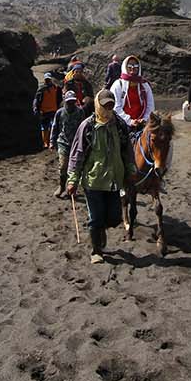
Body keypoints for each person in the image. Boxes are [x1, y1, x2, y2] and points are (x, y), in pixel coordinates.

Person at [65, 89, 136, 264]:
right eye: (105, 106)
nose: (108, 109)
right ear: (98, 104)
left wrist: (131, 170)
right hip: (93, 181)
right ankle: (96, 250)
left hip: (114, 180)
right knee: (96, 218)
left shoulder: (119, 125)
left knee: (114, 218)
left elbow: (127, 150)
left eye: (111, 105)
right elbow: (77, 154)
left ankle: (100, 230)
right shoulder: (87, 126)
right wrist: (72, 179)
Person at [50, 90, 85, 198]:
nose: (71, 104)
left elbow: (84, 127)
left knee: (75, 167)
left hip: (76, 144)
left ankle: (73, 189)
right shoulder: (60, 113)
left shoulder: (80, 112)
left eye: (72, 102)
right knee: (63, 166)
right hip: (63, 143)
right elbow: (55, 127)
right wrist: (52, 141)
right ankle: (61, 186)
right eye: (69, 102)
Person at [110, 55, 155, 129]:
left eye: (136, 66)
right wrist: (129, 121)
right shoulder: (118, 85)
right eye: (129, 66)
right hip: (122, 123)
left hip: (142, 123)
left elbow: (150, 106)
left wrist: (145, 119)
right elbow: (116, 107)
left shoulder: (144, 85)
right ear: (125, 67)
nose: (132, 68)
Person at [32, 73, 62, 149]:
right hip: (44, 111)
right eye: (47, 79)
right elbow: (36, 100)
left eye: (49, 79)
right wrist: (36, 108)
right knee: (45, 127)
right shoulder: (42, 89)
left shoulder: (55, 88)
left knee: (52, 126)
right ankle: (46, 142)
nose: (48, 80)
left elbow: (59, 98)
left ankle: (50, 141)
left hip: (53, 110)